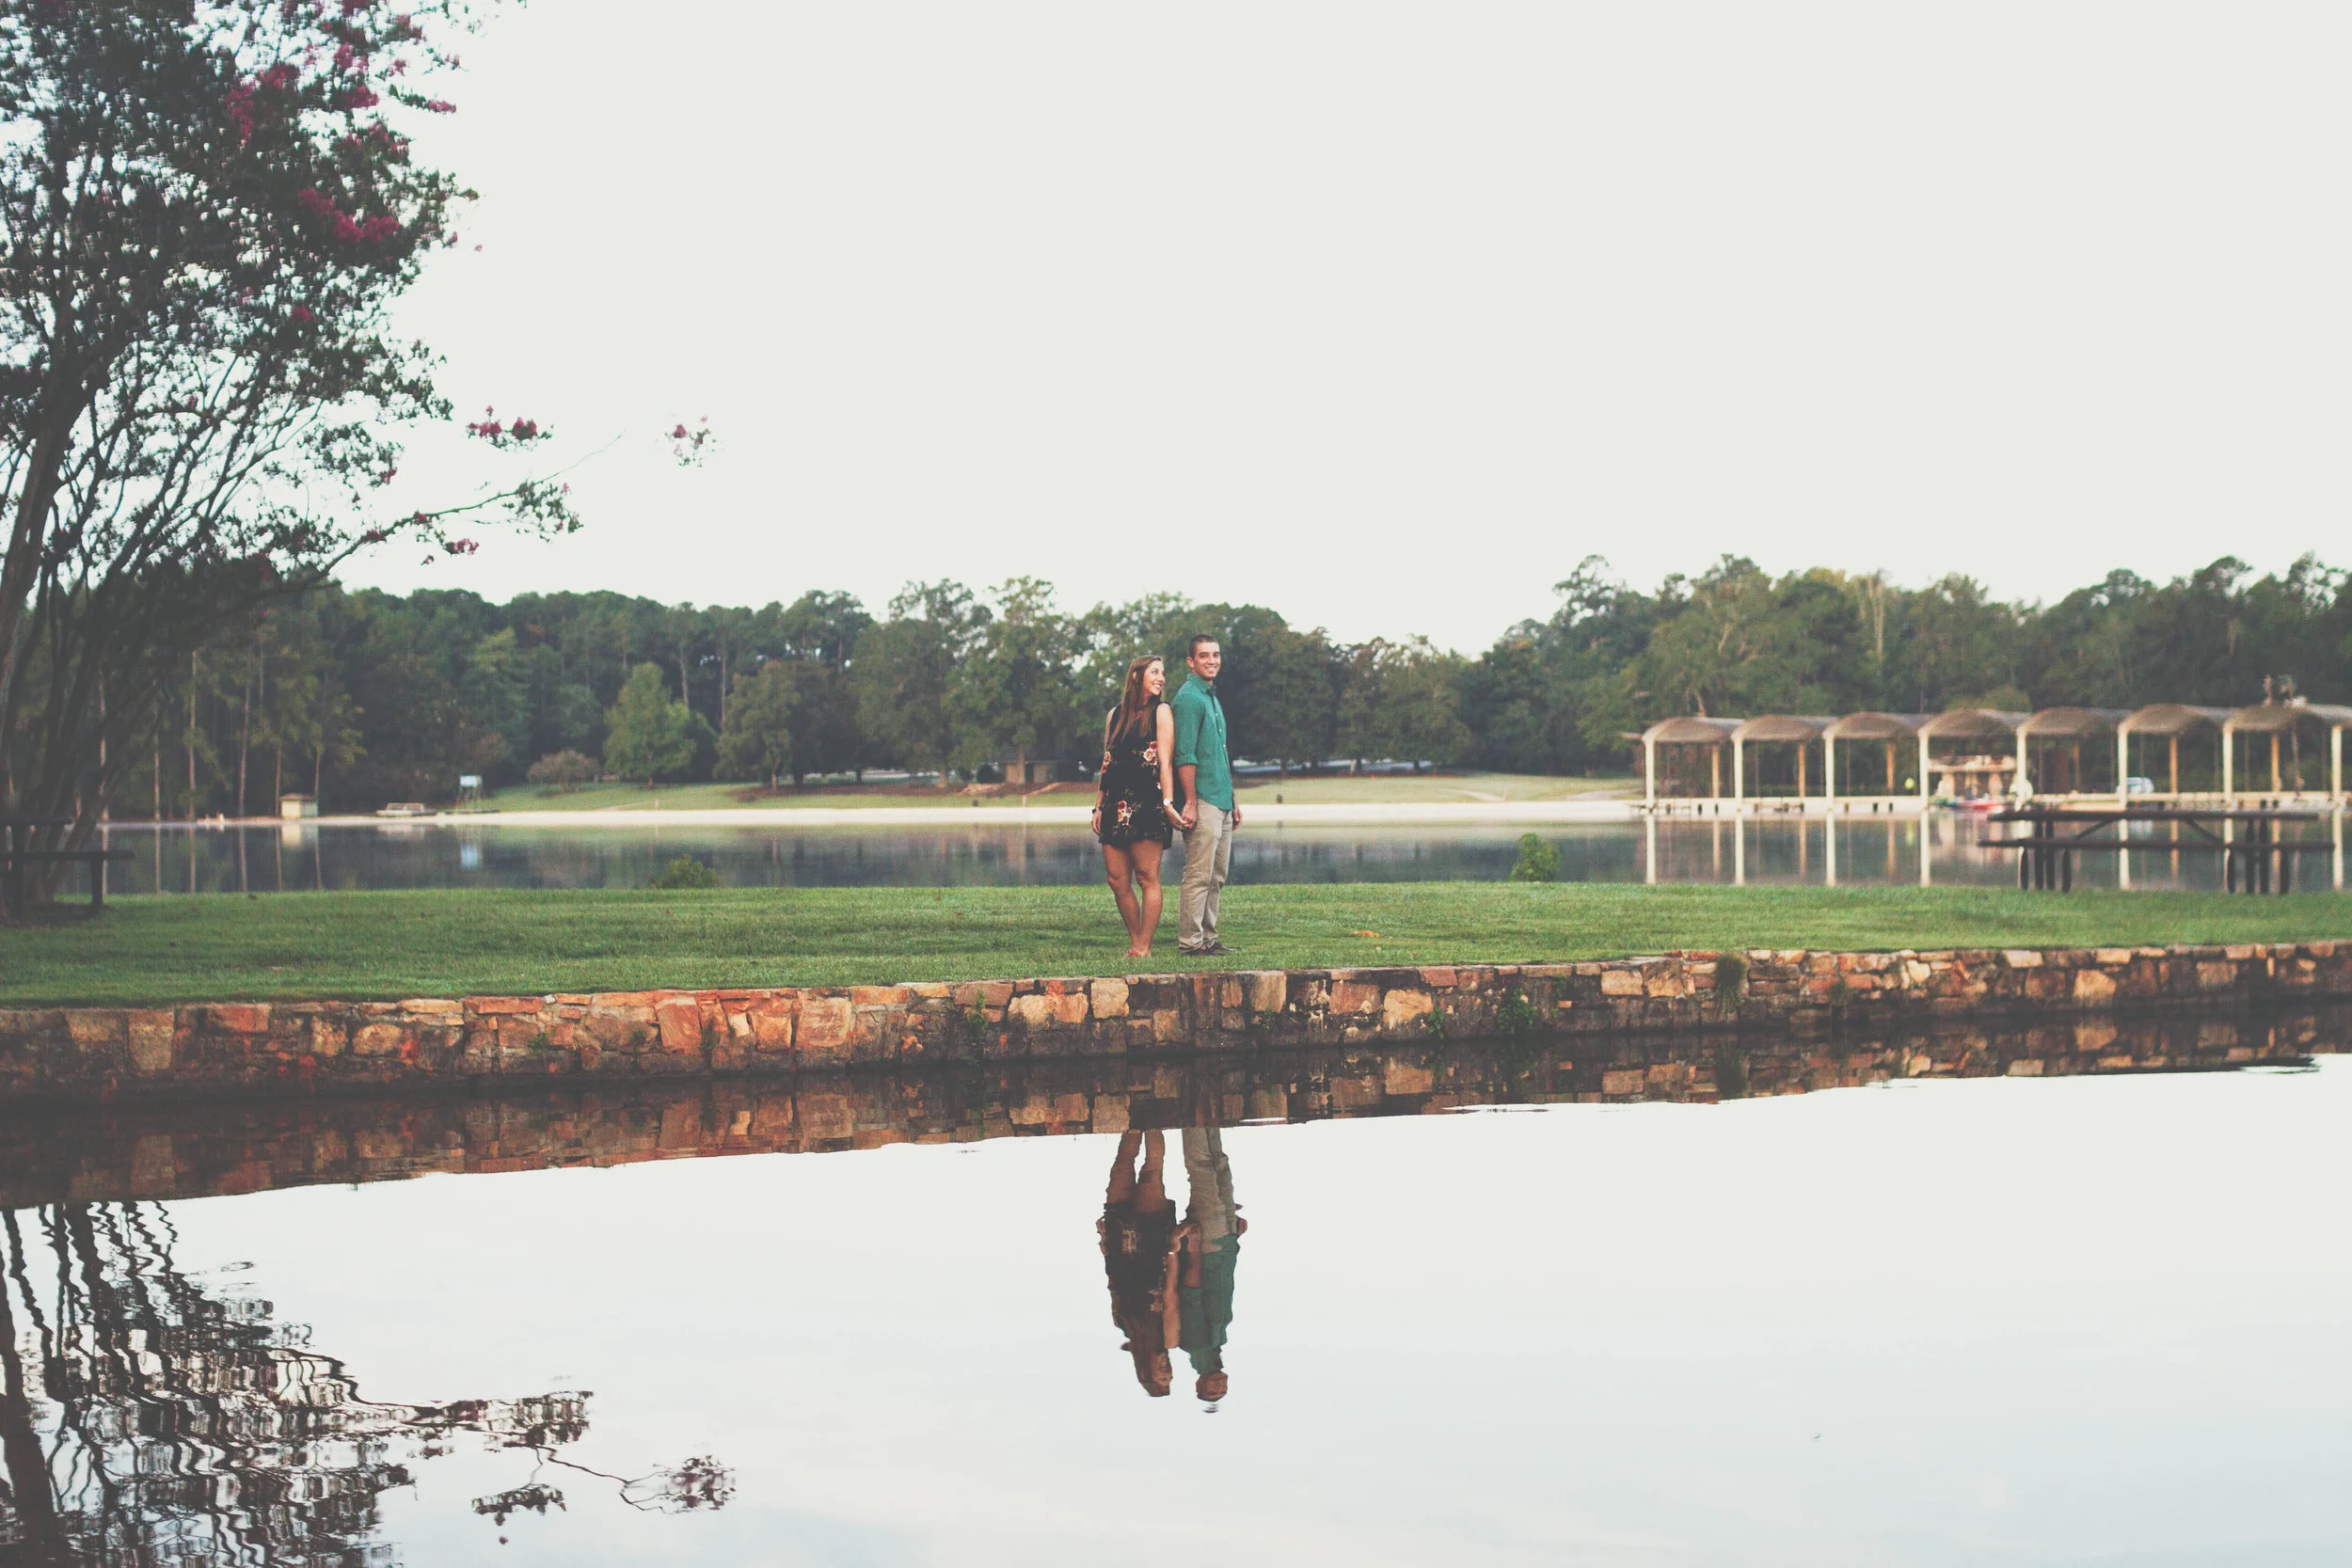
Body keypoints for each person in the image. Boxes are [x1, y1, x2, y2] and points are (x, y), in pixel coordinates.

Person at [1090, 656, 1182, 958]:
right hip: (1115, 804)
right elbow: (1107, 762)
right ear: (1135, 676)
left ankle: (1144, 946)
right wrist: (1098, 806)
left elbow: (1166, 762)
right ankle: (1136, 941)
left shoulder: (1162, 712)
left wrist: (1168, 803)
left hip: (1148, 804)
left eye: (1163, 673)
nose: (1161, 678)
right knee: (1116, 879)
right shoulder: (1114, 715)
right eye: (1154, 672)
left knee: (1146, 877)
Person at [1098, 1129, 1184, 1398]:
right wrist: (1172, 1252)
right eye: (1169, 1373)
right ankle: (1155, 1118)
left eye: (1162, 1375)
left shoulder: (1123, 1325)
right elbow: (1170, 1295)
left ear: (1145, 1372)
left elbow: (1114, 1286)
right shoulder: (1169, 1339)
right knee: (1151, 1173)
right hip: (1153, 1249)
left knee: (1121, 1168)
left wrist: (1104, 1245)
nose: (1166, 1368)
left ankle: (1135, 1118)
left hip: (1122, 1248)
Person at [1169, 635, 1241, 956]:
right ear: (1191, 662)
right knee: (1199, 874)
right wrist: (1190, 802)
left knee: (1217, 875)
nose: (1212, 660)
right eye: (1204, 656)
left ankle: (1209, 938)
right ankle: (1190, 942)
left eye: (1215, 655)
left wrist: (1234, 801)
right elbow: (1185, 755)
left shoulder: (1211, 697)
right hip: (1203, 800)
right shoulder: (1188, 699)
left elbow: (1220, 755)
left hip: (1222, 799)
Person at [1177, 1123, 1244, 1409]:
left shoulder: (1196, 1346)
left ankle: (1191, 1117)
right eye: (1222, 1392)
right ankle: (1207, 1111)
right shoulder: (1217, 1344)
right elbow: (1224, 1284)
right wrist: (1235, 1239)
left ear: (1200, 1384)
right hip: (1224, 1244)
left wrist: (1193, 1248)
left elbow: (1192, 1292)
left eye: (1213, 1391)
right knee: (1220, 1166)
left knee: (1203, 1170)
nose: (1221, 1387)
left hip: (1207, 1247)